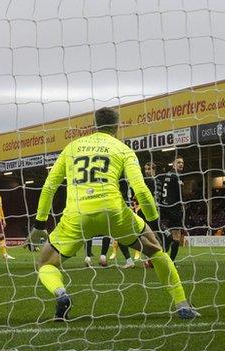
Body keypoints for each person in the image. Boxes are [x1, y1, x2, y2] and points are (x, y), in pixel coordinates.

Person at [29, 107, 199, 321]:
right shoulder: (122, 148)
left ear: (93, 125)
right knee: (155, 251)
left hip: (77, 214)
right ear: (117, 127)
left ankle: (61, 294)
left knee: (45, 263)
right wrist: (154, 222)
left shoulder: (72, 147)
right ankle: (182, 304)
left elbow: (49, 186)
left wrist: (40, 224)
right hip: (114, 212)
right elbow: (140, 189)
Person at [157, 157, 185, 262]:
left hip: (163, 207)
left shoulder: (167, 175)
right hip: (174, 208)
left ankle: (161, 253)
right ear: (173, 164)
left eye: (182, 163)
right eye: (178, 162)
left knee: (164, 234)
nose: (181, 164)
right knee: (177, 236)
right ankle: (171, 261)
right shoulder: (177, 176)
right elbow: (180, 195)